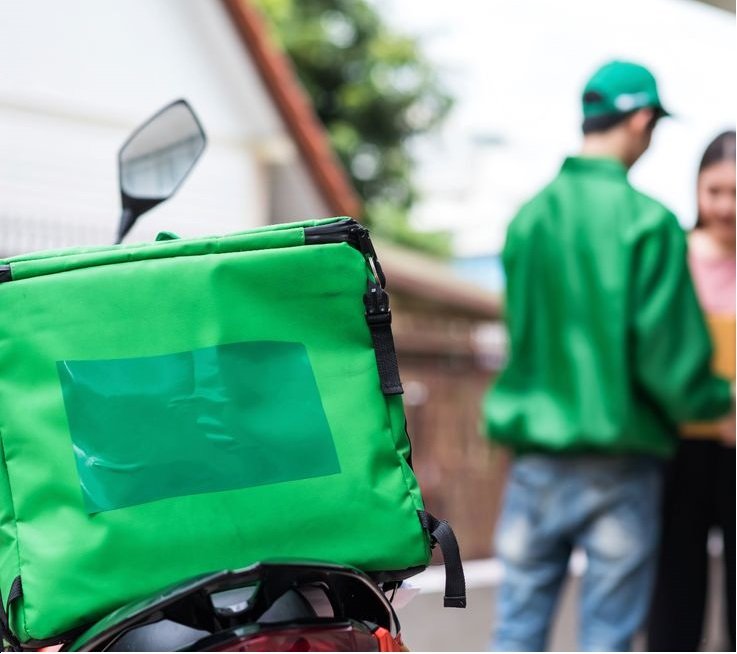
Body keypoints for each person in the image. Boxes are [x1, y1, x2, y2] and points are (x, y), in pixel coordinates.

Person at [484, 61, 734, 652]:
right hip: (622, 460)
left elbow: (521, 333)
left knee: (516, 630)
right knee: (607, 638)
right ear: (642, 119)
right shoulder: (648, 223)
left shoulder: (529, 219)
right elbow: (668, 359)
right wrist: (716, 403)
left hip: (536, 458)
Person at [647, 130, 736, 652]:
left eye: (736, 192)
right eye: (714, 190)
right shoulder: (673, 254)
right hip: (676, 448)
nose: (725, 206)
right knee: (674, 592)